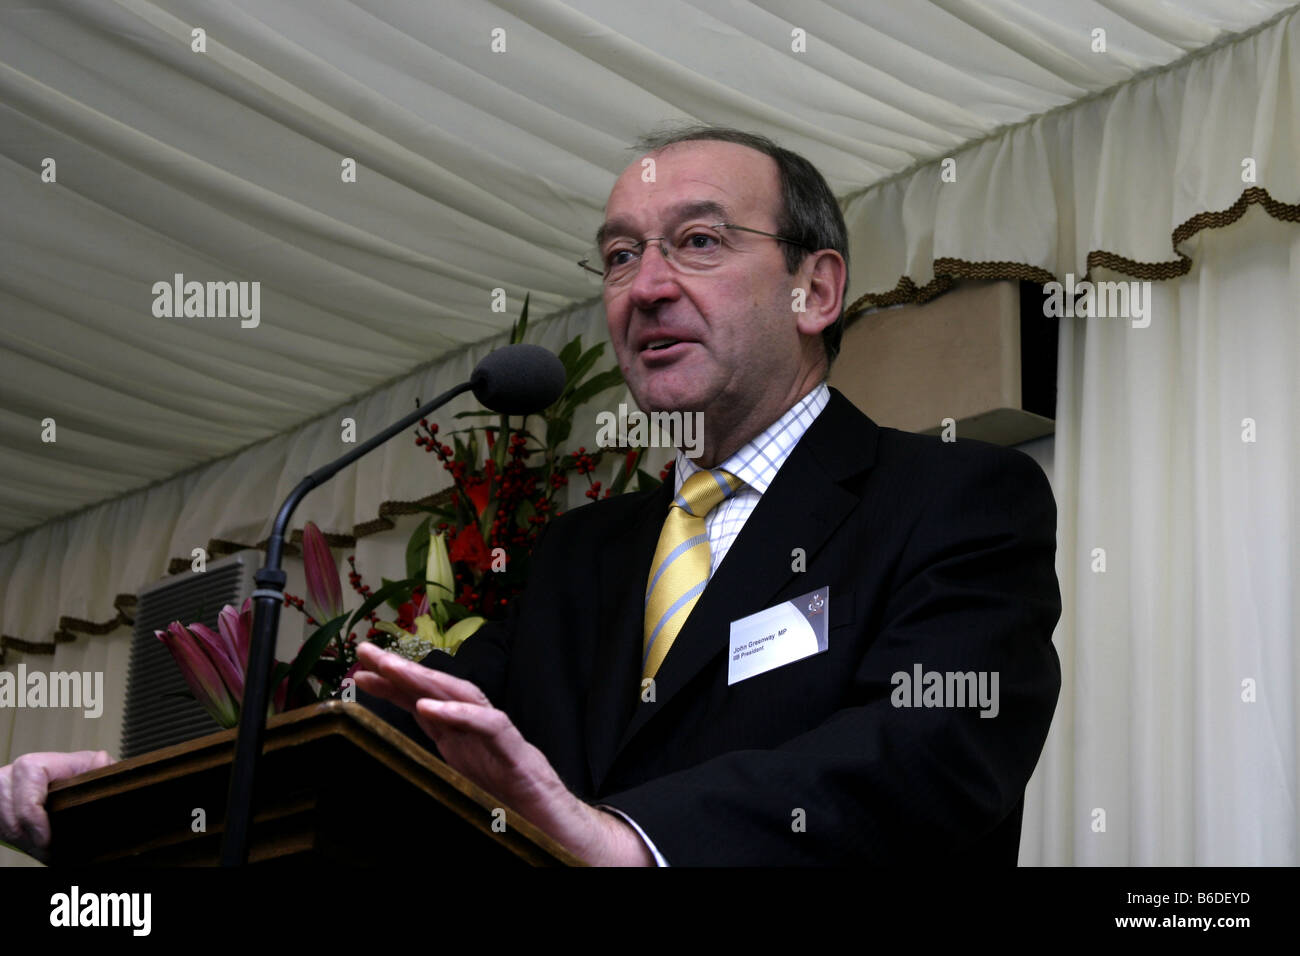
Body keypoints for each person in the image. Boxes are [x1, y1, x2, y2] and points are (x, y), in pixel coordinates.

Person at [0, 127, 1061, 866]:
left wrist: (629, 840)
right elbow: (396, 739)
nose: (643, 285)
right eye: (616, 255)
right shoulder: (579, 555)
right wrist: (139, 800)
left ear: (815, 288)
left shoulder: (955, 497)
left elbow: (929, 752)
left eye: (696, 240)